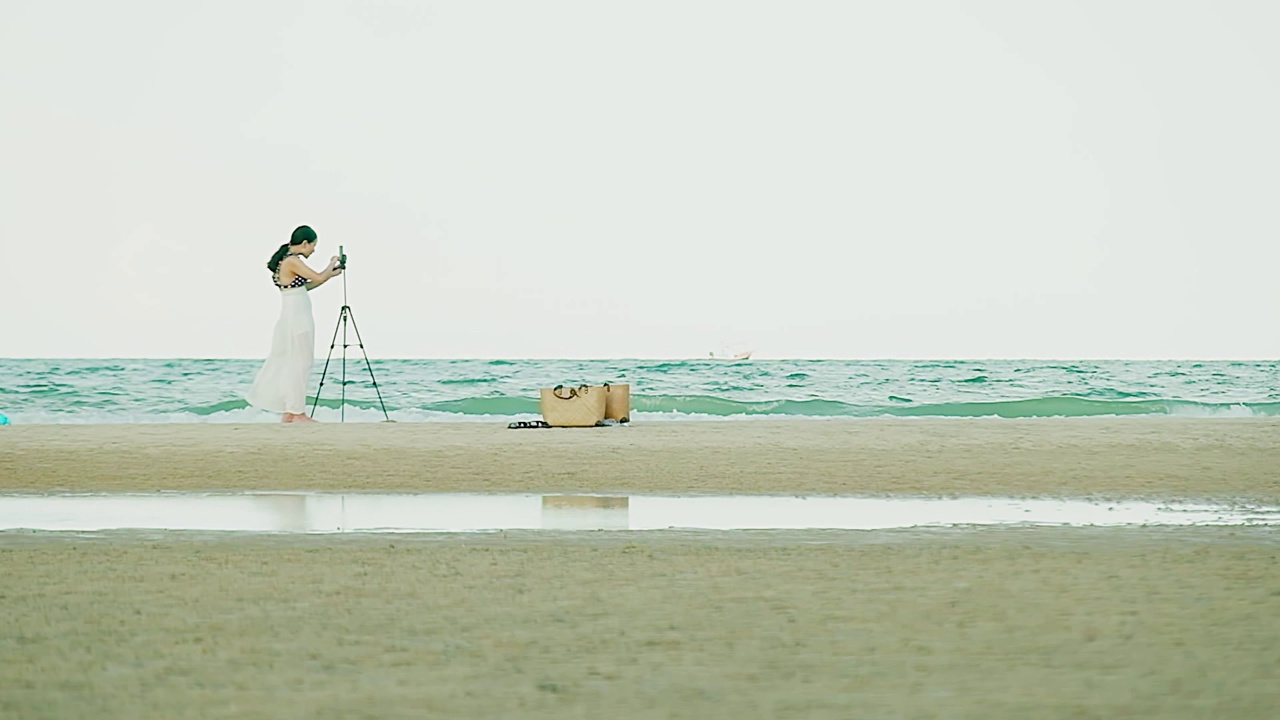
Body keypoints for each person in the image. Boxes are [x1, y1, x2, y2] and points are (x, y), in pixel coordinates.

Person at [246, 225, 343, 423]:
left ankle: (291, 411)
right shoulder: (292, 260)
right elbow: (317, 276)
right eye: (313, 246)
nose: (313, 250)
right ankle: (298, 413)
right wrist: (331, 263)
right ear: (305, 243)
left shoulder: (287, 260)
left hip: (294, 311)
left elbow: (306, 286)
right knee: (302, 361)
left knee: (295, 361)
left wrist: (330, 275)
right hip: (297, 315)